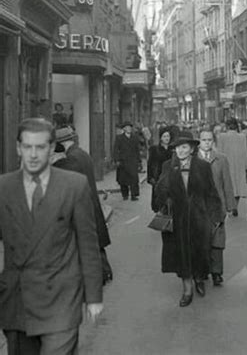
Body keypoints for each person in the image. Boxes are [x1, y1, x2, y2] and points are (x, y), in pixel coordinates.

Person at [0, 118, 103, 354]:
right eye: (27, 147)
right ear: (18, 148)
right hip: (18, 300)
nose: (33, 154)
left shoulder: (73, 186)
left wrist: (94, 296)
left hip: (61, 298)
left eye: (41, 147)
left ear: (52, 148)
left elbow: (87, 244)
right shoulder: (4, 188)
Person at [152, 131, 223, 307]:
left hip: (199, 217)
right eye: (177, 148)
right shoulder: (169, 166)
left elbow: (211, 193)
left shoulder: (203, 166)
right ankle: (187, 289)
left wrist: (215, 216)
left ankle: (199, 278)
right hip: (178, 219)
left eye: (184, 147)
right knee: (181, 254)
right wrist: (166, 187)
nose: (180, 151)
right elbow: (159, 193)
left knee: (200, 251)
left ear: (191, 149)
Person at [50, 126, 113, 285]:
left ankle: (100, 275)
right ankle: (104, 272)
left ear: (61, 144)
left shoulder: (71, 159)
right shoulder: (81, 153)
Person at [198, 127, 235, 285]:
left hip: (217, 205)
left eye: (209, 140)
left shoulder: (221, 159)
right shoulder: (194, 159)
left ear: (213, 142)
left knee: (217, 240)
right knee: (200, 239)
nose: (206, 143)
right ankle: (202, 270)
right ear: (199, 141)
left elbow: (227, 183)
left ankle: (217, 272)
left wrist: (229, 206)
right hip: (199, 205)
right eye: (204, 140)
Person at [216, 117, 247, 216]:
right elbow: (245, 152)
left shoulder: (221, 137)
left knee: (227, 185)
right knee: (238, 186)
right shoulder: (242, 137)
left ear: (227, 126)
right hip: (239, 163)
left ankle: (230, 206)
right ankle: (235, 205)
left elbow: (219, 151)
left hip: (226, 163)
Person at [113, 120, 141, 201]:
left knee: (134, 179)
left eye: (130, 127)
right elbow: (115, 150)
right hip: (123, 162)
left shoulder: (135, 138)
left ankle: (133, 195)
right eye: (127, 127)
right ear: (124, 129)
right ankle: (125, 194)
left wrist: (139, 161)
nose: (129, 129)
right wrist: (117, 160)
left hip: (133, 161)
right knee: (123, 180)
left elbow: (137, 150)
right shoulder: (119, 138)